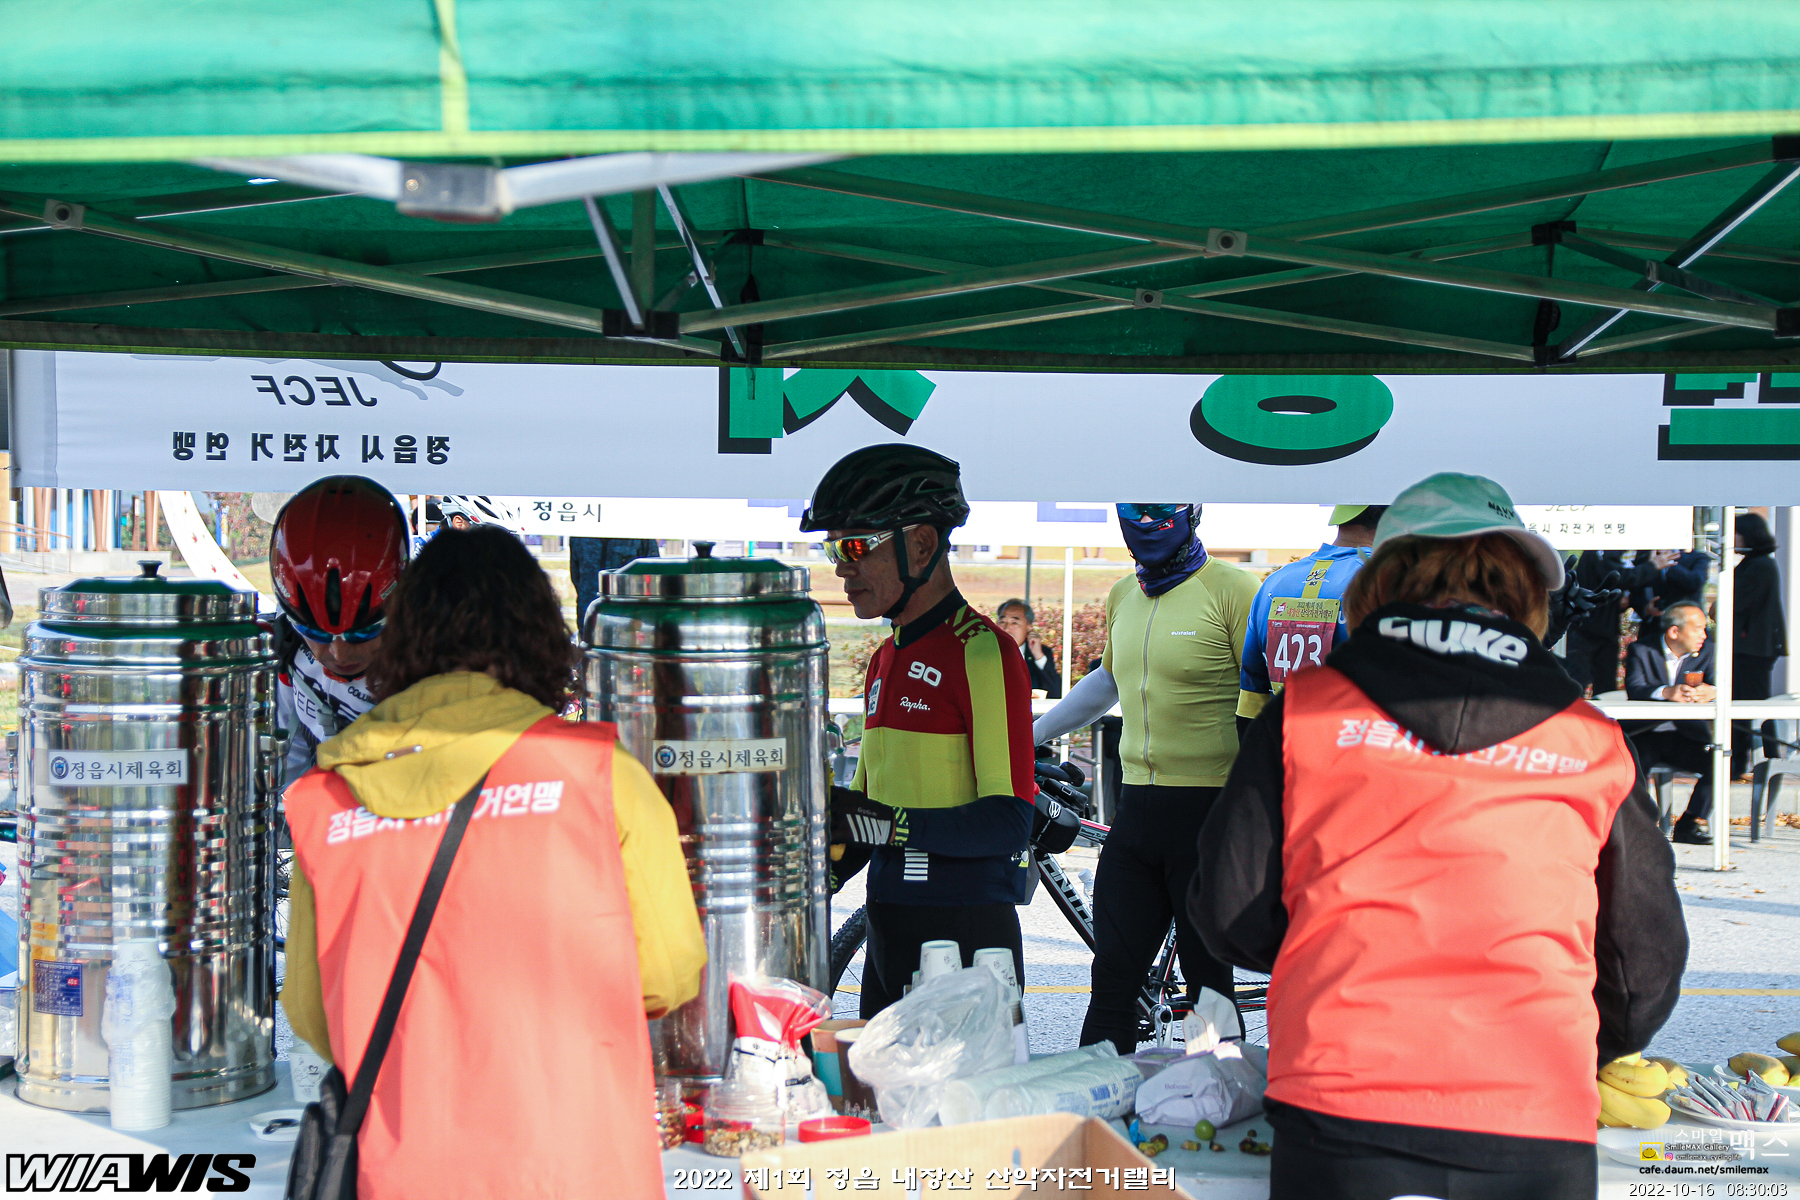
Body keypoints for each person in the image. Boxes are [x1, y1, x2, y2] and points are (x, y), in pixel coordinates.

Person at [1193, 471, 1685, 1200]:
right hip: (1534, 1109)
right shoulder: (1591, 740)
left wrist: (1328, 963)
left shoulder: (1304, 712)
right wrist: (1573, 1043)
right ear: (1526, 592)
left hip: (1340, 1100)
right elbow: (1643, 964)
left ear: (1379, 580)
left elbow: (1229, 910)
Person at [279, 524, 705, 1199]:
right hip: (577, 1167)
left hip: (408, 1171)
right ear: (539, 638)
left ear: (401, 640)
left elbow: (313, 1014)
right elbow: (669, 974)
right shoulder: (600, 776)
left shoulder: (323, 798)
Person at [801, 444, 1036, 1018]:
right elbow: (869, 817)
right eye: (834, 548)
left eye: (855, 546)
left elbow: (1009, 821)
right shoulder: (884, 657)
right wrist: (816, 872)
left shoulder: (983, 651)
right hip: (888, 925)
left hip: (965, 932)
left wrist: (890, 823)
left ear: (923, 544)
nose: (841, 567)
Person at [1032, 503, 1260, 1054]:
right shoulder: (1123, 594)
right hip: (1136, 813)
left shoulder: (1235, 590)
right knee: (1112, 982)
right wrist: (1027, 736)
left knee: (1209, 990)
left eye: (1160, 511)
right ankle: (1097, 1102)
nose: (1145, 523)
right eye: (1133, 511)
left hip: (1210, 818)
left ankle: (1219, 1099)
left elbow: (1264, 698)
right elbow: (1108, 680)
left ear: (1192, 514)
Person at [271, 476, 411, 786]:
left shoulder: (431, 665)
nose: (339, 653)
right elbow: (288, 760)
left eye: (362, 634)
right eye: (317, 634)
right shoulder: (289, 646)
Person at [1237, 504, 1385, 729]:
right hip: (1360, 743)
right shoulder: (1389, 581)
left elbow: (1252, 699)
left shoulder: (1275, 582)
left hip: (1285, 742)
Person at [1624, 599, 1719, 844]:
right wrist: (1667, 692)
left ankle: (1691, 822)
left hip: (1686, 734)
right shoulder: (1642, 649)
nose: (1704, 635)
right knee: (1633, 765)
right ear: (1674, 632)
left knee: (1720, 761)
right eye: (1697, 629)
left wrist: (1711, 692)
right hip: (1646, 732)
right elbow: (1635, 688)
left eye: (1704, 628)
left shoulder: (1709, 651)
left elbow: (1724, 685)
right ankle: (1639, 825)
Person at [1732, 512, 1787, 779]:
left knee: (1753, 705)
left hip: (1753, 648)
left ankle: (1766, 761)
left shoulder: (1759, 566)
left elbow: (1738, 601)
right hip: (1753, 646)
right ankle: (1753, 761)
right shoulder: (1757, 564)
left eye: (1736, 533)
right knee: (1747, 705)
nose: (1732, 539)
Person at [1561, 550, 1661, 695]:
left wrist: (1643, 606)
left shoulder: (1638, 552)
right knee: (1577, 680)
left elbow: (1629, 589)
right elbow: (1616, 577)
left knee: (1607, 685)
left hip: (1608, 628)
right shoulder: (1602, 549)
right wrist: (1652, 567)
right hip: (1584, 626)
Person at [570, 536, 662, 627]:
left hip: (629, 622)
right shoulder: (580, 535)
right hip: (588, 619)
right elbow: (577, 576)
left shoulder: (640, 536)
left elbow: (653, 578)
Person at [995, 598, 1063, 698]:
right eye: (1002, 622)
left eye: (1014, 623)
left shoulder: (1040, 653)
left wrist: (1038, 656)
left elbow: (1057, 692)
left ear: (1029, 626)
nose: (1007, 628)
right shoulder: (987, 652)